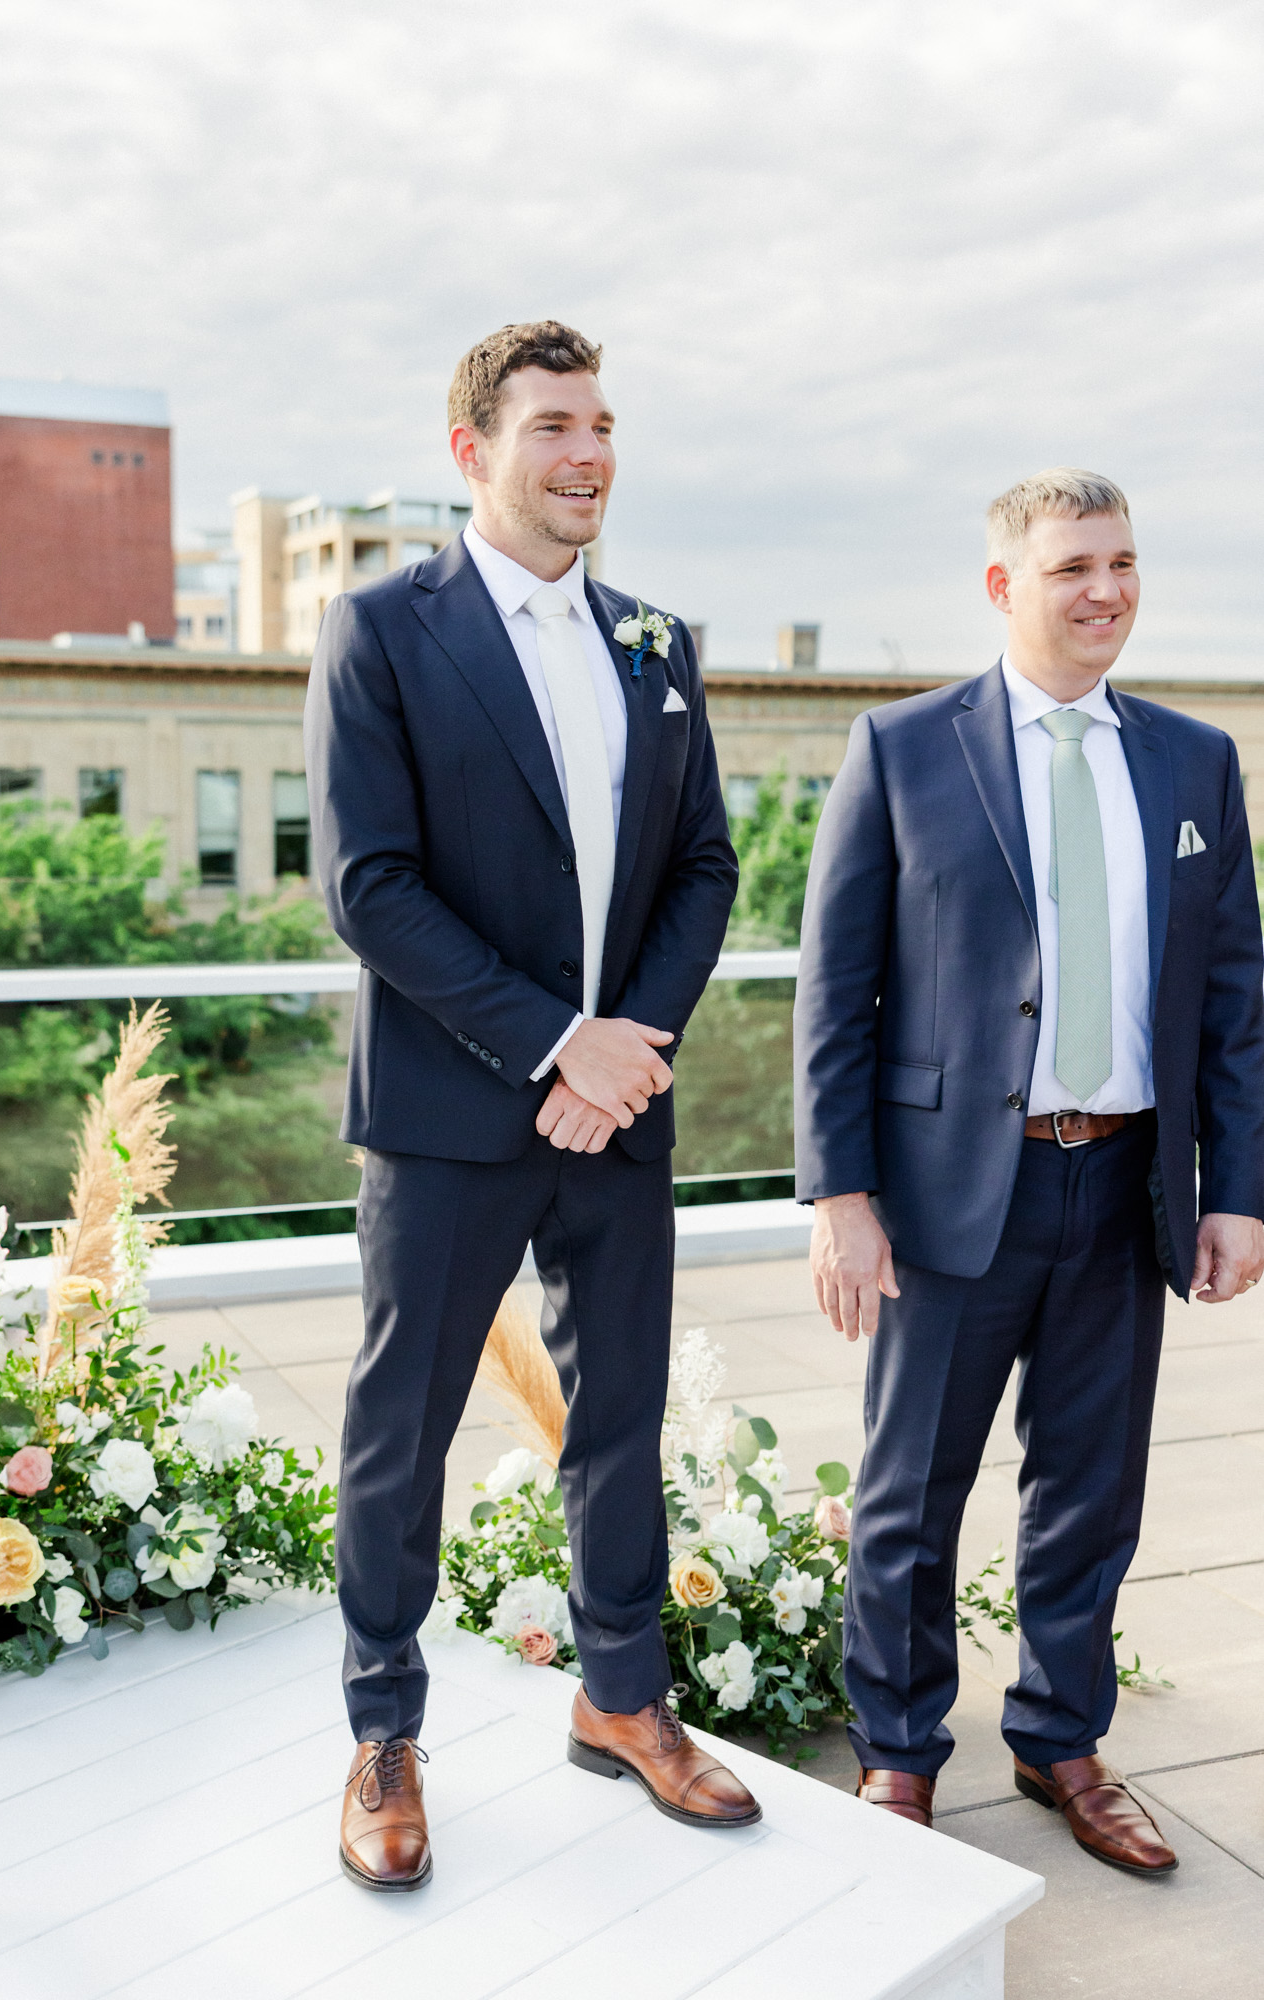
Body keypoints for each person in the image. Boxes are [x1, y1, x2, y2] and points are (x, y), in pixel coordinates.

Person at [305, 320, 758, 1894]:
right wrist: (556, 1043)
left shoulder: (657, 639)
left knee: (617, 1417)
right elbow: (369, 886)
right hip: (447, 1118)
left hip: (615, 1113)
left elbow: (704, 865)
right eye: (555, 425)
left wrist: (627, 1043)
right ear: (470, 451)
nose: (588, 455)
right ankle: (382, 1732)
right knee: (398, 1431)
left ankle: (622, 1697)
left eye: (604, 425)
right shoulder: (379, 631)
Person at [793, 468, 1264, 1874]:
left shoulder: (1194, 760)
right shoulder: (900, 748)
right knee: (907, 1494)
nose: (1103, 590)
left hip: (1124, 1191)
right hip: (949, 1194)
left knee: (1088, 1491)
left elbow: (1236, 990)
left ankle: (1060, 1737)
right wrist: (838, 1198)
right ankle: (898, 1750)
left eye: (1120, 563)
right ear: (1004, 586)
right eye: (1071, 567)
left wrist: (1235, 1186)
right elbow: (836, 993)